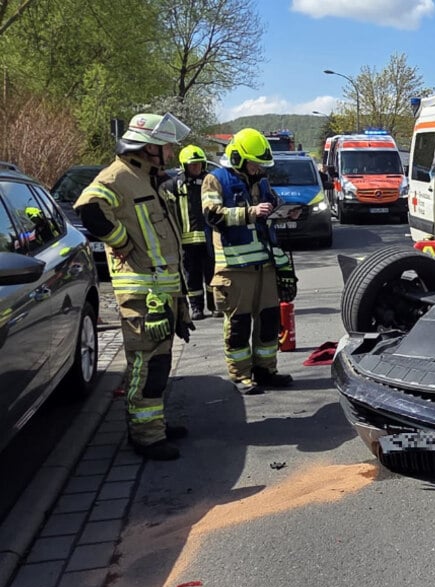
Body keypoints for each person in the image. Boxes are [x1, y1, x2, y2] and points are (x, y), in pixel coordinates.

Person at [75, 112, 194, 461]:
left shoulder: (147, 179)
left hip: (161, 291)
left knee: (159, 364)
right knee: (146, 364)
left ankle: (154, 424)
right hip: (142, 295)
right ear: (147, 148)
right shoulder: (118, 177)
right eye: (166, 147)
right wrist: (121, 241)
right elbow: (89, 209)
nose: (171, 154)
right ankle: (145, 436)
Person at [201, 128, 297, 396]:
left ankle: (266, 370)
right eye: (255, 164)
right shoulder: (215, 180)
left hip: (264, 266)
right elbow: (212, 215)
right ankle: (241, 375)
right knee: (239, 326)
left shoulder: (261, 182)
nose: (258, 169)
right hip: (234, 267)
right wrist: (249, 213)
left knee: (268, 322)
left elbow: (270, 208)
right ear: (237, 158)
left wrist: (285, 211)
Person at [160, 145, 219, 320]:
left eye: (199, 164)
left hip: (208, 239)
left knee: (212, 274)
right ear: (185, 166)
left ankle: (215, 306)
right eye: (192, 165)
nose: (196, 167)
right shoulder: (173, 185)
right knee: (191, 277)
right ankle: (196, 308)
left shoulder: (210, 182)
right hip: (186, 241)